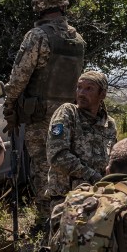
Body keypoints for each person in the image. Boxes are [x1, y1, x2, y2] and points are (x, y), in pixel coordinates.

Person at [3, 0, 86, 232]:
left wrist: (9, 103)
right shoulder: (77, 39)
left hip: (41, 114)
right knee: (66, 161)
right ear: (62, 4)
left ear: (38, 5)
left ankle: (46, 220)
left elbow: (19, 76)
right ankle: (71, 213)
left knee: (41, 163)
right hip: (71, 113)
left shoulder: (37, 36)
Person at [45, 71, 118, 207]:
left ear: (102, 94)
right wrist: (93, 176)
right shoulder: (68, 113)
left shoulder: (109, 124)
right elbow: (57, 156)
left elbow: (114, 160)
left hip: (100, 198)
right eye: (79, 87)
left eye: (89, 88)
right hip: (68, 199)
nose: (81, 93)